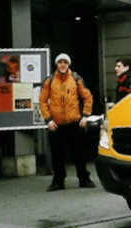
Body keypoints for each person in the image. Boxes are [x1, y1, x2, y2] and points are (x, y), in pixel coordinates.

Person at [39, 53, 95, 191]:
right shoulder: (49, 80)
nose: (62, 65)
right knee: (57, 155)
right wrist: (48, 120)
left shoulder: (76, 79)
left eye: (65, 62)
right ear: (56, 64)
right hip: (56, 125)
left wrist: (85, 116)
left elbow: (88, 97)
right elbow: (42, 101)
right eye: (60, 62)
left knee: (79, 154)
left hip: (74, 122)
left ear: (68, 64)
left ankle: (84, 179)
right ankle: (58, 181)